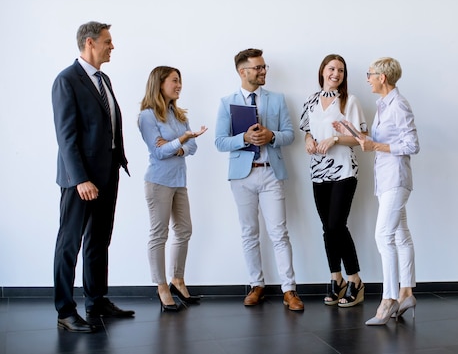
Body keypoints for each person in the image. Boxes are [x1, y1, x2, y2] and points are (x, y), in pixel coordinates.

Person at [52, 21, 134, 333]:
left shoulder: (104, 79)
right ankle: (65, 309)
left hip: (108, 173)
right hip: (80, 179)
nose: (112, 47)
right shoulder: (67, 80)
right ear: (90, 43)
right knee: (69, 243)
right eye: (108, 42)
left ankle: (96, 299)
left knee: (99, 240)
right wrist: (80, 179)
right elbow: (66, 137)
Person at [214, 48, 304, 311]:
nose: (264, 71)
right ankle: (257, 285)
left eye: (264, 67)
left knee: (279, 233)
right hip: (242, 176)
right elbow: (219, 142)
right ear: (243, 72)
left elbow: (290, 135)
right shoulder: (225, 102)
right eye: (258, 68)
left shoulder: (277, 99)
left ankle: (290, 290)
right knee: (249, 233)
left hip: (270, 172)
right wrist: (244, 138)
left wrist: (271, 136)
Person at [333, 57, 419, 326]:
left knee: (383, 236)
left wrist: (376, 147)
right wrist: (362, 139)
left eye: (370, 74)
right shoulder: (384, 105)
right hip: (387, 179)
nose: (367, 78)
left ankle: (389, 298)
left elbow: (412, 144)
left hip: (396, 179)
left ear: (382, 77)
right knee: (400, 235)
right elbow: (386, 141)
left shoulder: (399, 104)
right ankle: (406, 292)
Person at [299, 54, 367, 307]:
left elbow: (362, 138)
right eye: (331, 68)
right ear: (322, 71)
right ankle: (335, 279)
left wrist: (336, 139)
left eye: (340, 70)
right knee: (328, 228)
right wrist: (309, 140)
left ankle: (355, 280)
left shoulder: (350, 101)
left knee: (338, 225)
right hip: (318, 171)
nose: (335, 74)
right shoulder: (311, 100)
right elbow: (307, 130)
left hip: (343, 171)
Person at [138, 66, 207, 312]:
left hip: (179, 180)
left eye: (180, 81)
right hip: (158, 182)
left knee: (184, 230)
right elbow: (157, 151)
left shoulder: (178, 114)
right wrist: (182, 140)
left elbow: (193, 147)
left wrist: (178, 145)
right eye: (175, 81)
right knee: (159, 234)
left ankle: (177, 279)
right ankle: (161, 286)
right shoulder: (147, 116)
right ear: (160, 83)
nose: (179, 85)